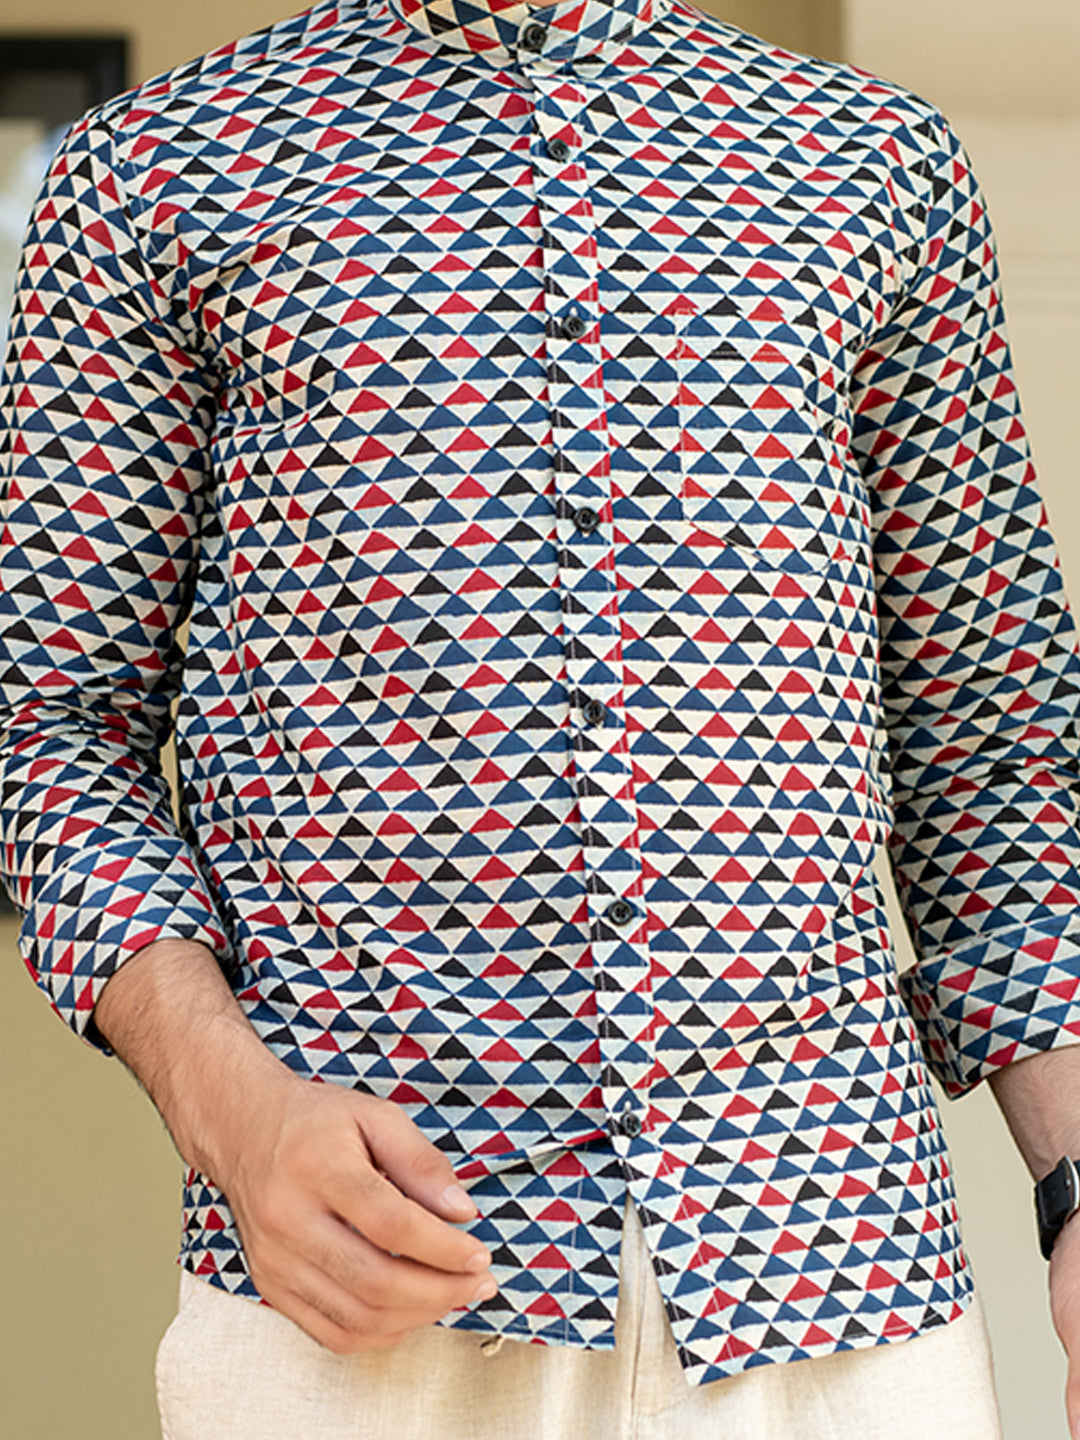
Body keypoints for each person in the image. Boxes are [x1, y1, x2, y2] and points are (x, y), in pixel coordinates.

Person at [3, 0, 1080, 1435]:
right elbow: (49, 729)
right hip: (368, 1286)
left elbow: (996, 740)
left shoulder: (878, 163)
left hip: (836, 1277)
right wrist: (235, 1117)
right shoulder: (154, 169)